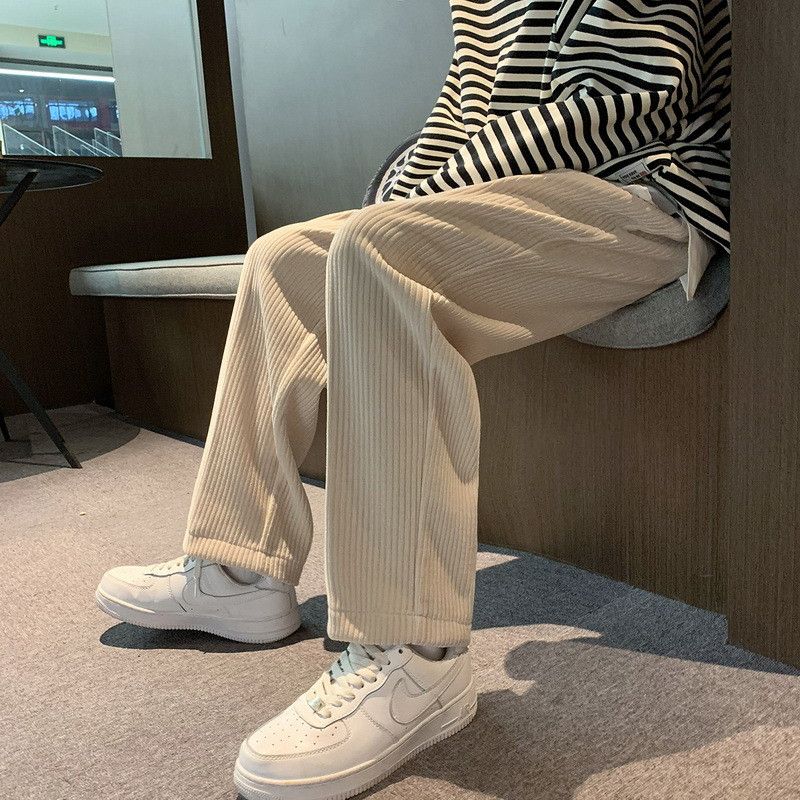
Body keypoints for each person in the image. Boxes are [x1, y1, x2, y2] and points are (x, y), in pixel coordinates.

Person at [95, 2, 730, 798]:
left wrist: (418, 200)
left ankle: (415, 657)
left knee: (380, 252)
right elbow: (459, 111)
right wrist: (402, 191)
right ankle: (238, 569)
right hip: (520, 192)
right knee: (282, 257)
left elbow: (632, 102)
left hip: (648, 190)